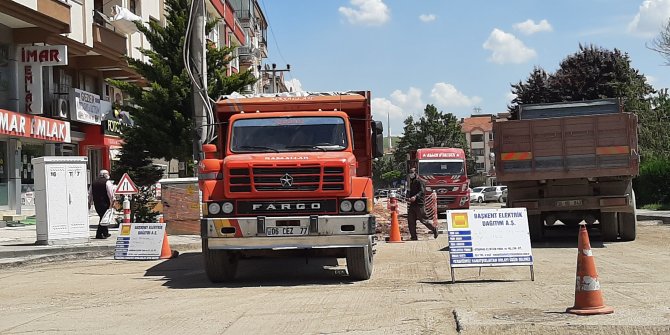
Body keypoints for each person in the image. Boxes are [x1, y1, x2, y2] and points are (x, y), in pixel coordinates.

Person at [407, 168, 439, 240]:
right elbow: (410, 191)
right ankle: (413, 236)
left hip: (419, 204)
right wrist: (409, 197)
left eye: (412, 172)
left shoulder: (420, 181)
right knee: (410, 220)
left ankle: (434, 229)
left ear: (415, 173)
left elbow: (421, 191)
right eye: (410, 173)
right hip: (412, 204)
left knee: (423, 220)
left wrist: (415, 196)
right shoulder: (411, 181)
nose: (410, 174)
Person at [89, 170, 115, 239]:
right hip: (105, 203)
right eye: (107, 174)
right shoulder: (107, 182)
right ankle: (103, 234)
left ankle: (101, 234)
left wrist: (90, 202)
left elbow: (90, 193)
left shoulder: (94, 182)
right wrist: (112, 201)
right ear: (105, 174)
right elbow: (110, 193)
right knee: (103, 218)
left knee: (102, 217)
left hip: (97, 203)